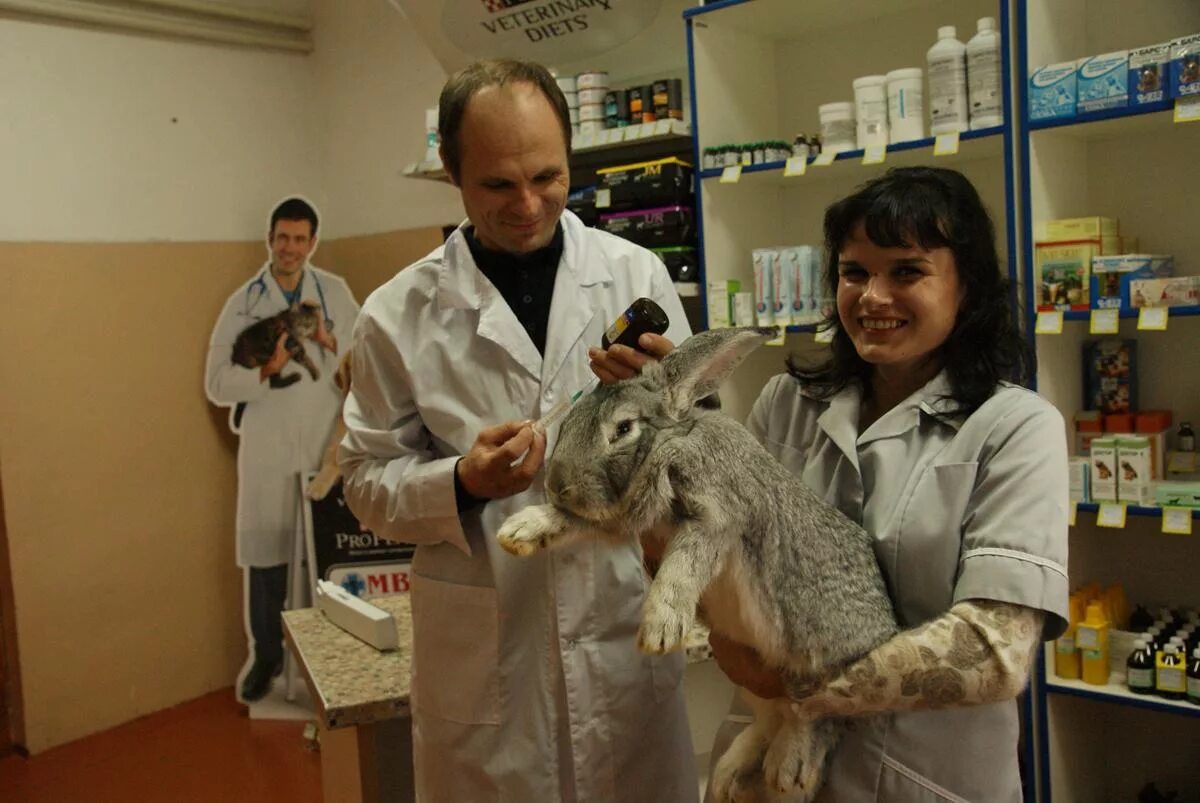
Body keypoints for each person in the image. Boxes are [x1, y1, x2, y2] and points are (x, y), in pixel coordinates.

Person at [338, 59, 698, 802]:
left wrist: (664, 410)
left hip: (621, 640)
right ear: (451, 170)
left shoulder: (635, 276)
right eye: (500, 184)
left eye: (549, 176)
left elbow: (700, 456)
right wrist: (461, 483)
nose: (530, 204)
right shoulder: (395, 314)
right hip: (489, 660)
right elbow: (364, 482)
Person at [692, 166, 1070, 802]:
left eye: (907, 271)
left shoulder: (1015, 428)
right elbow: (723, 556)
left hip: (925, 778)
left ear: (967, 286)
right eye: (854, 272)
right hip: (769, 766)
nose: (872, 296)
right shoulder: (787, 402)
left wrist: (796, 685)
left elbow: (992, 649)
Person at [205, 197, 360, 703]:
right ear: (269, 240)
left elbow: (364, 360)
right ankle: (267, 654)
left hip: (322, 439)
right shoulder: (243, 303)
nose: (290, 248)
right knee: (266, 554)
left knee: (324, 550)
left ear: (313, 242)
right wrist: (263, 374)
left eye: (300, 239)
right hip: (268, 441)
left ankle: (329, 656)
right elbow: (217, 382)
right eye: (282, 238)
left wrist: (329, 340)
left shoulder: (333, 293)